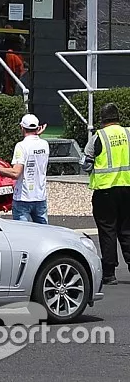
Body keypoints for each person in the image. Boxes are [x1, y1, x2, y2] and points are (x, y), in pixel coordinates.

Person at [82, 102, 130, 285]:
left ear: (102, 120)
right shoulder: (128, 133)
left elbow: (86, 164)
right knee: (127, 230)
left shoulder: (98, 137)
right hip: (128, 188)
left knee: (108, 230)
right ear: (118, 118)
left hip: (105, 191)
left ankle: (109, 273)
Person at [0, 114, 49, 223]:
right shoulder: (44, 144)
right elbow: (34, 143)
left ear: (22, 127)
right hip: (40, 196)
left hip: (23, 197)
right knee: (43, 232)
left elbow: (16, 173)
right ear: (37, 128)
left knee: (21, 233)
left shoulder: (21, 146)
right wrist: (36, 134)